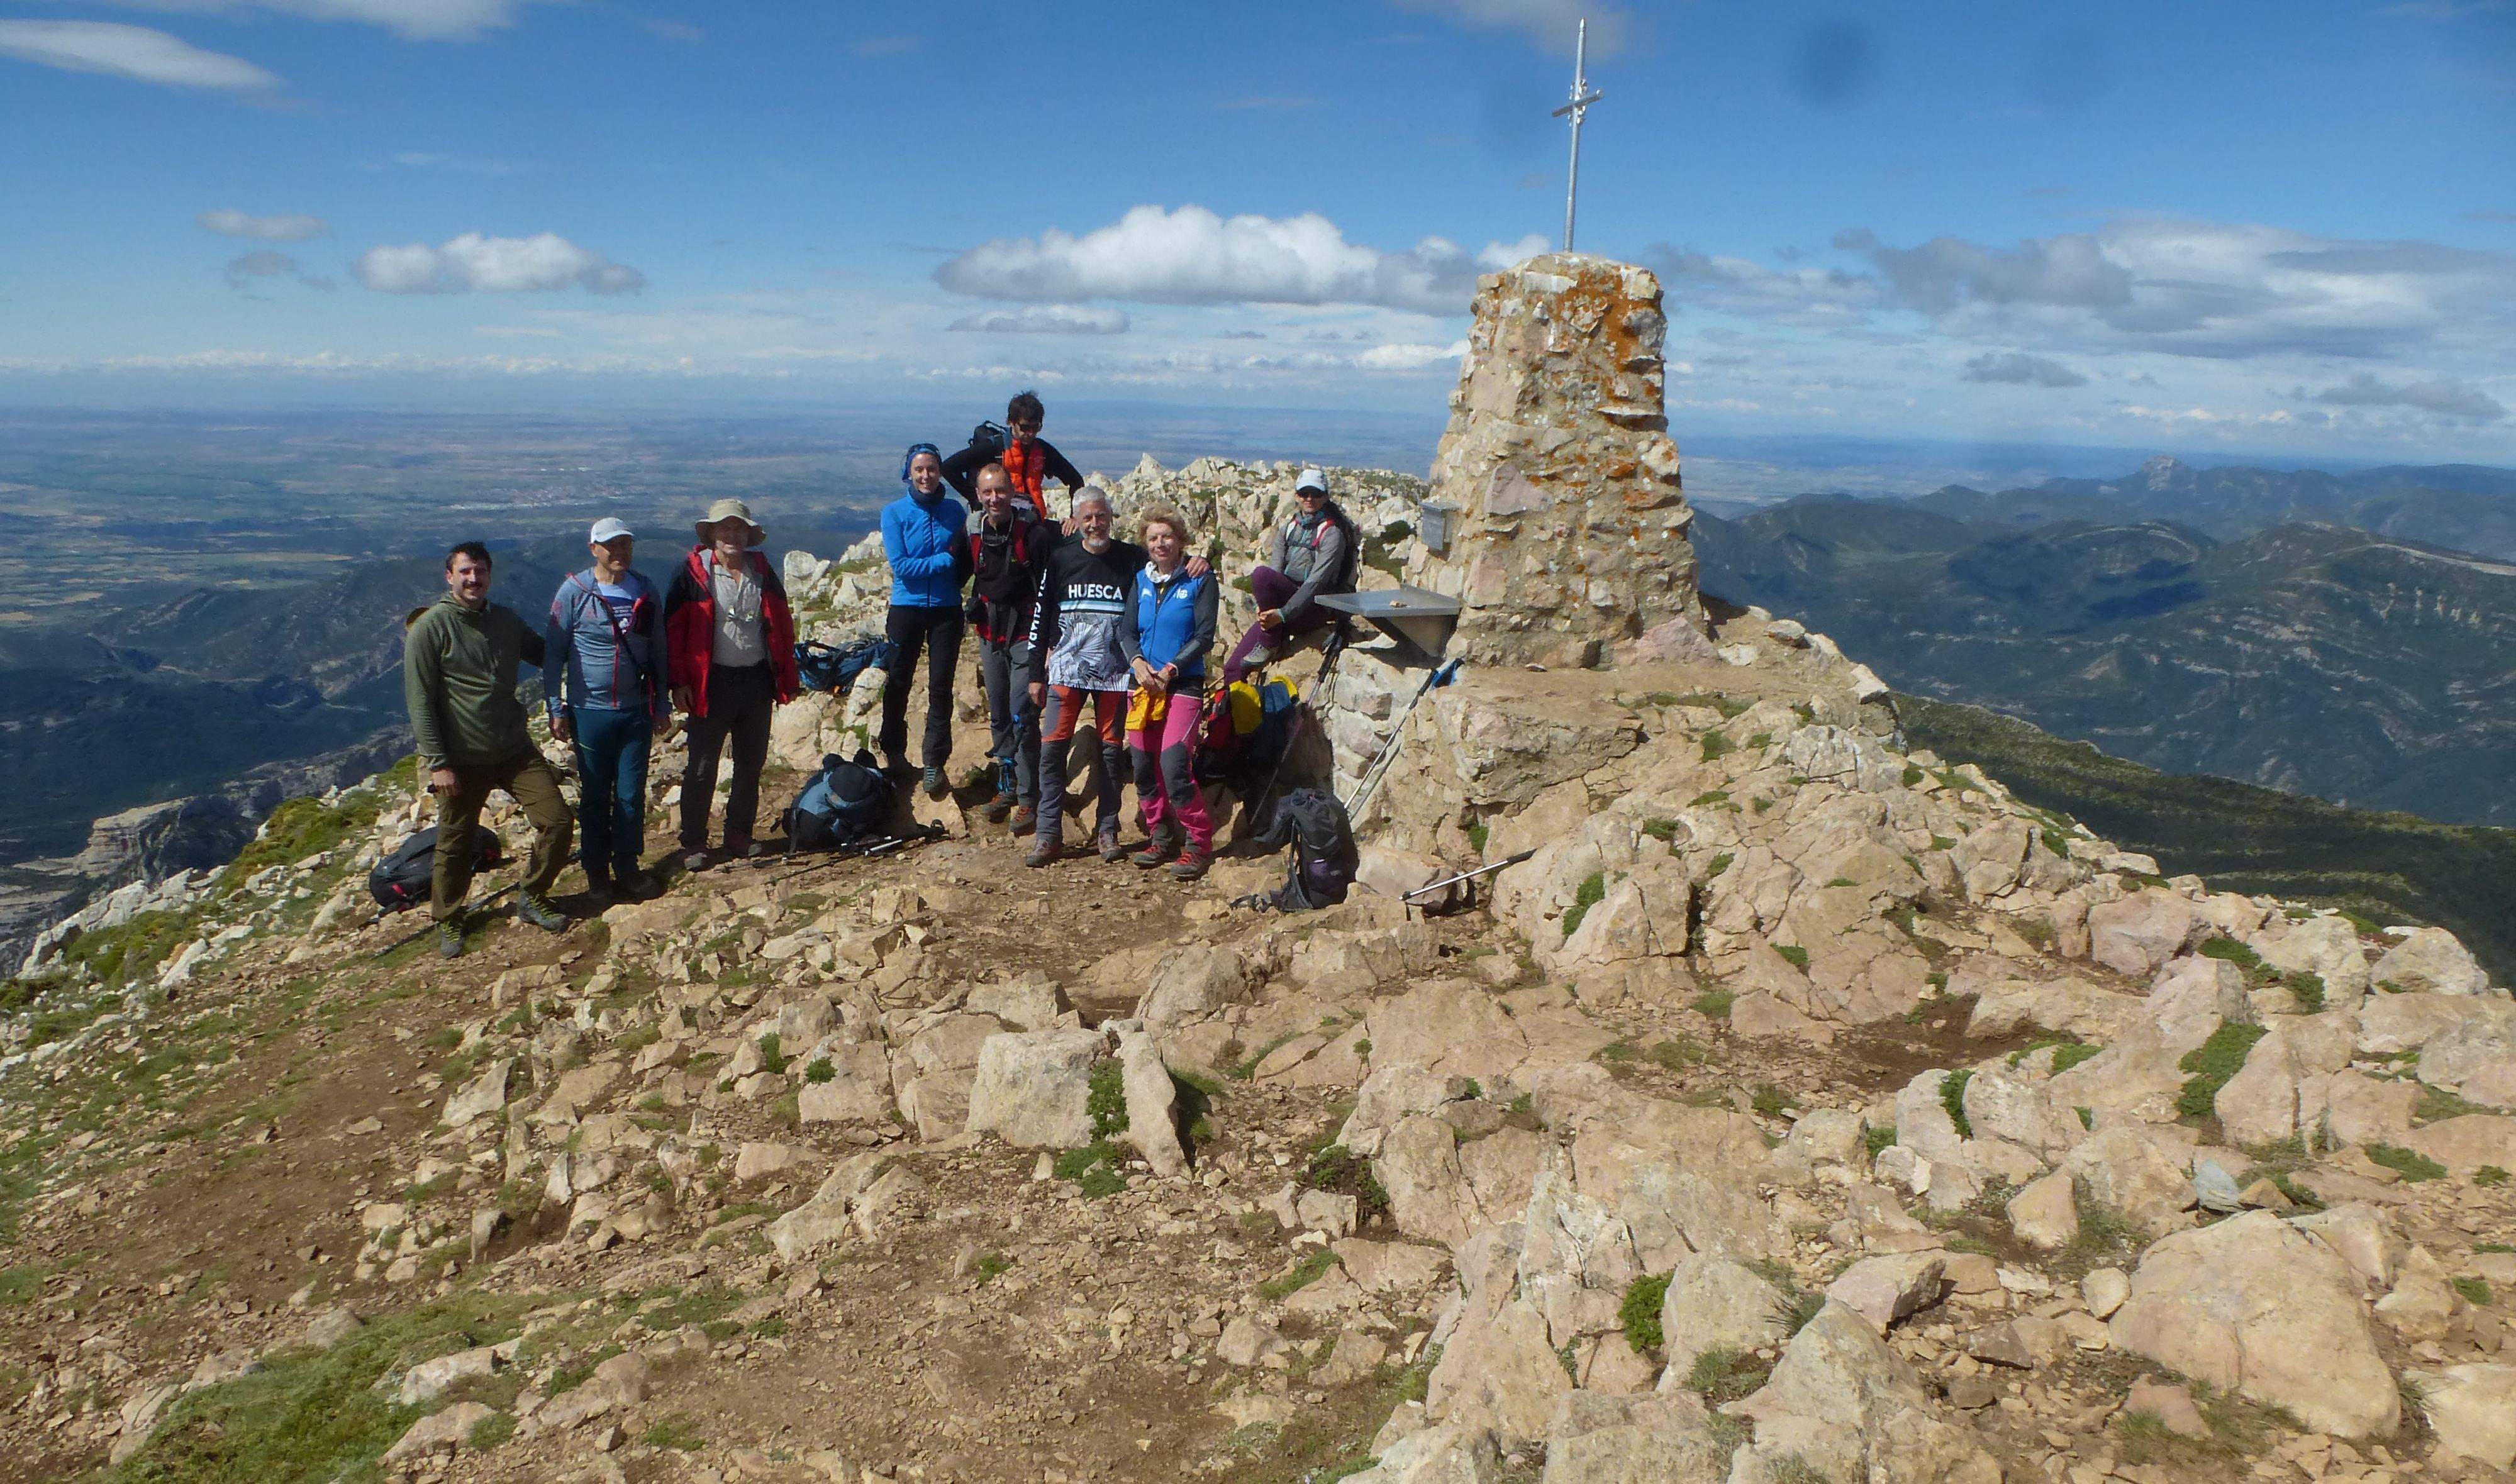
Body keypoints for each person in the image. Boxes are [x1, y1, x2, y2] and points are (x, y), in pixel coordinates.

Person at [403, 540, 573, 958]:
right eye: (465, 572)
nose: (473, 579)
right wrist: (438, 763)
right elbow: (420, 701)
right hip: (461, 758)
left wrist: (575, 610)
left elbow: (548, 654)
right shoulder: (431, 628)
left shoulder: (506, 622)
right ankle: (448, 918)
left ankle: (532, 895)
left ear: (489, 575)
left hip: (514, 749)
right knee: (455, 841)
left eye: (479, 571)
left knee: (557, 820)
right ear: (449, 577)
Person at [664, 498, 799, 871]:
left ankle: (738, 833)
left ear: (748, 535)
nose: (732, 535)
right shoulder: (690, 575)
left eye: (738, 528)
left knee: (750, 763)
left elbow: (781, 623)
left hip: (755, 680)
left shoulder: (762, 571)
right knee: (703, 766)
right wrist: (678, 682)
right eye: (724, 528)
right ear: (711, 535)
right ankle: (693, 841)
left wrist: (787, 675)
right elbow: (674, 633)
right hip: (712, 683)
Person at [544, 518, 671, 904]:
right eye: (611, 546)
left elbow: (659, 649)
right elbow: (554, 654)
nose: (620, 553)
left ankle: (628, 868)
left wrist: (662, 702)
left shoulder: (645, 589)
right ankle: (597, 872)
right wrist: (556, 707)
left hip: (635, 710)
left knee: (631, 794)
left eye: (625, 545)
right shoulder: (574, 592)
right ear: (594, 549)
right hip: (590, 711)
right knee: (596, 794)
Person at [1025, 489, 1142, 867]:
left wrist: (1197, 564)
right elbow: (1041, 617)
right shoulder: (1061, 559)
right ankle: (1047, 835)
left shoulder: (1132, 558)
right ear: (1077, 520)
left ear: (1111, 516)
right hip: (1065, 671)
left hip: (1115, 674)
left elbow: (1169, 567)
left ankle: (1107, 830)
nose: (1095, 524)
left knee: (1110, 753)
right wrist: (1034, 674)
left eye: (1101, 516)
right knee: (1053, 750)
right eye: (1088, 518)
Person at [1120, 507, 1220, 880]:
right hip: (1143, 686)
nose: (1160, 543)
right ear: (1145, 544)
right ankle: (1160, 835)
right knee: (1143, 766)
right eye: (1153, 538)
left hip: (1183, 685)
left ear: (1180, 540)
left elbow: (1204, 635)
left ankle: (1198, 843)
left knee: (1174, 763)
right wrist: (1138, 664)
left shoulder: (1199, 580)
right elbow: (1127, 631)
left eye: (1167, 536)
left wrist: (1172, 668)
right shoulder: (1140, 581)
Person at [963, 462, 1054, 827]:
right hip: (990, 634)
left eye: (1001, 490)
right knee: (999, 712)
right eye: (987, 492)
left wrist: (1049, 640)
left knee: (1022, 713)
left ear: (1012, 492)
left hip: (1024, 636)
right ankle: (1008, 784)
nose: (995, 498)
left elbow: (1054, 582)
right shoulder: (975, 534)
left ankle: (1030, 797)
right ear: (978, 496)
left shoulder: (1034, 535)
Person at [879, 443, 972, 797]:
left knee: (940, 687)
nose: (925, 476)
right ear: (908, 473)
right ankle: (894, 752)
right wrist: (944, 563)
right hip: (906, 607)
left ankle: (934, 761)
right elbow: (901, 566)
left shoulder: (954, 511)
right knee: (898, 681)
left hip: (947, 609)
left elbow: (965, 557)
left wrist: (953, 567)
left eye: (931, 469)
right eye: (919, 470)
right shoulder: (894, 513)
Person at [1222, 467, 1355, 682]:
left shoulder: (1332, 533)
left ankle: (1270, 640)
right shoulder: (1289, 529)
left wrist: (1282, 615)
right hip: (1286, 609)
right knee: (1233, 669)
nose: (1309, 499)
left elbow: (1316, 582)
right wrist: (1269, 613)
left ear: (1326, 497)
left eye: (1316, 494)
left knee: (1261, 575)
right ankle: (1231, 711)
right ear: (1296, 496)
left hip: (1316, 607)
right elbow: (1276, 572)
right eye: (1304, 494)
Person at [940, 389, 1086, 523]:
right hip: (998, 523)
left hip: (1034, 522)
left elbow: (1076, 481)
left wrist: (1074, 517)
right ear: (1011, 422)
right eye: (1024, 428)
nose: (1030, 433)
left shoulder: (1043, 451)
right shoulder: (993, 448)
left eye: (1035, 428)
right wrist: (975, 499)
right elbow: (948, 468)